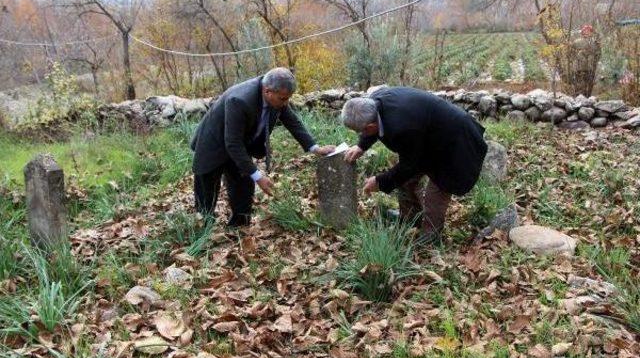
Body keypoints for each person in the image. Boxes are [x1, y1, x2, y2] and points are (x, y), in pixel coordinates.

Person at [190, 67, 335, 226]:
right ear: (267, 92)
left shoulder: (277, 98)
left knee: (243, 187)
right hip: (213, 144)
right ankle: (204, 231)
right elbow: (232, 143)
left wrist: (315, 148)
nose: (286, 103)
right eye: (283, 99)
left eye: (288, 98)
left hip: (239, 143)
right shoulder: (239, 100)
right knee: (206, 191)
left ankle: (239, 228)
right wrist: (258, 176)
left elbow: (293, 123)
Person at [341, 86, 488, 242]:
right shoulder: (374, 102)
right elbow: (375, 127)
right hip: (427, 137)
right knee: (406, 182)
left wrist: (380, 181)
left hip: (456, 143)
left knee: (437, 191)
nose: (360, 135)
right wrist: (361, 146)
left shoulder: (401, 126)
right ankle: (411, 218)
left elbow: (410, 165)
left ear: (370, 127)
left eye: (360, 132)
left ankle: (431, 235)